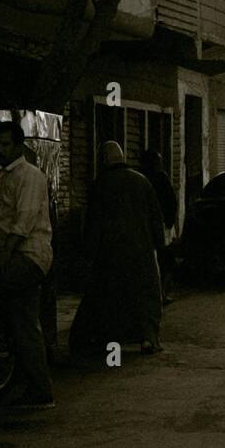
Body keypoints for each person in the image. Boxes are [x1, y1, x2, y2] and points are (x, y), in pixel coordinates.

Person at [0, 120, 56, 409]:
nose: (0, 149)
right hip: (17, 257)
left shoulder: (29, 176)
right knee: (24, 326)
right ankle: (38, 389)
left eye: (6, 144)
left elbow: (23, 222)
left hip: (27, 257)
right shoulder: (7, 177)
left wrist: (1, 258)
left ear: (19, 146)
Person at [70, 142, 167, 356]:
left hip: (110, 252)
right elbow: (156, 219)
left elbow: (93, 224)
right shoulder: (142, 182)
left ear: (103, 160)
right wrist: (160, 248)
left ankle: (110, 339)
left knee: (111, 296)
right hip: (142, 251)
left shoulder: (100, 185)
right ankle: (148, 339)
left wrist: (88, 253)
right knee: (145, 296)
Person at [141, 149, 178, 304]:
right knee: (165, 260)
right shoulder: (160, 178)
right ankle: (162, 293)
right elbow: (171, 200)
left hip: (147, 226)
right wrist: (170, 222)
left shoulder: (142, 178)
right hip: (161, 225)